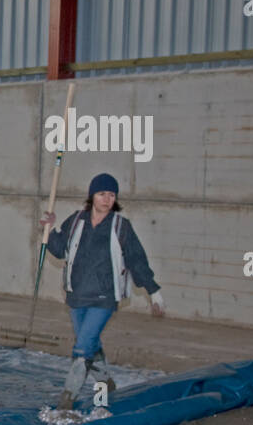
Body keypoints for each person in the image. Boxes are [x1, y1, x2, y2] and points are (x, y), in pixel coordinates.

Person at [41, 172, 164, 411]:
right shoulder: (77, 221)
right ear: (92, 196)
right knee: (90, 343)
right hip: (76, 295)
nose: (107, 199)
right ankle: (106, 383)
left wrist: (154, 291)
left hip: (104, 297)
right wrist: (51, 228)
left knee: (81, 350)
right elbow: (60, 251)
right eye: (102, 194)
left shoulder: (120, 226)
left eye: (111, 195)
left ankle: (66, 401)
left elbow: (137, 261)